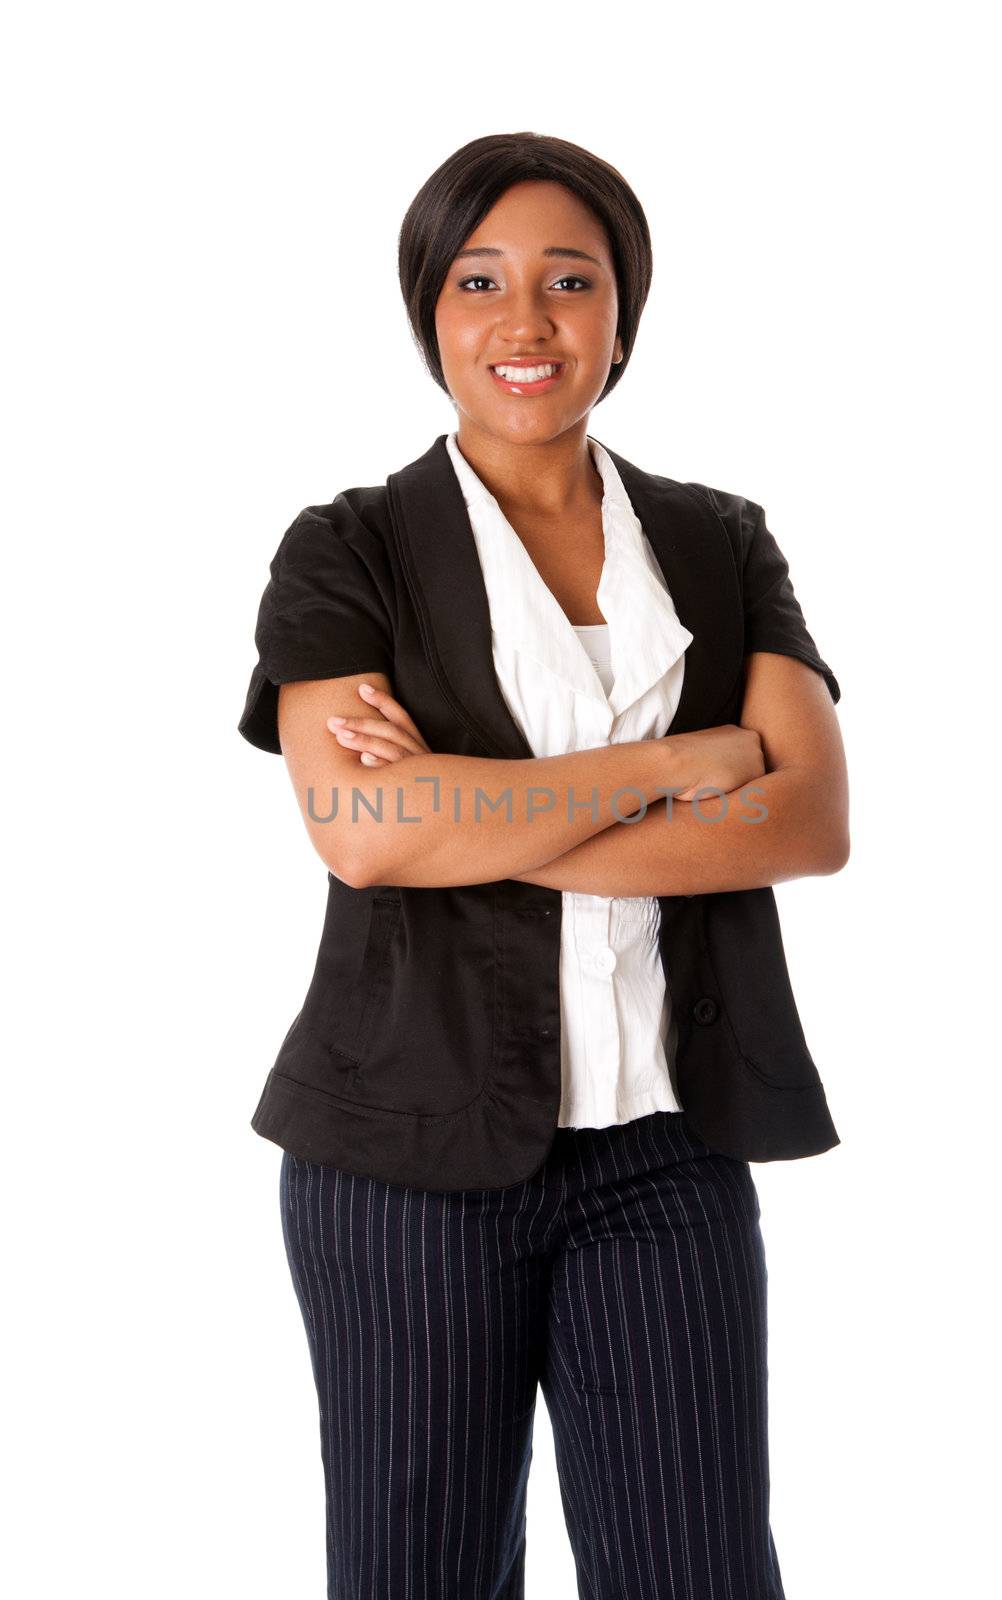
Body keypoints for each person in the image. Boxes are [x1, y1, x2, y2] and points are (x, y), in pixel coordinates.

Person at [238, 131, 849, 1600]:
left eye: (570, 282)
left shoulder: (720, 543)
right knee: (419, 1576)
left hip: (665, 1152)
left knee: (699, 1573)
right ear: (429, 315)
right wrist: (674, 766)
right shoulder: (352, 552)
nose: (528, 323)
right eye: (480, 282)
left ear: (622, 315)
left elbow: (813, 820)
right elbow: (367, 837)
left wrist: (483, 819)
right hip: (400, 1161)